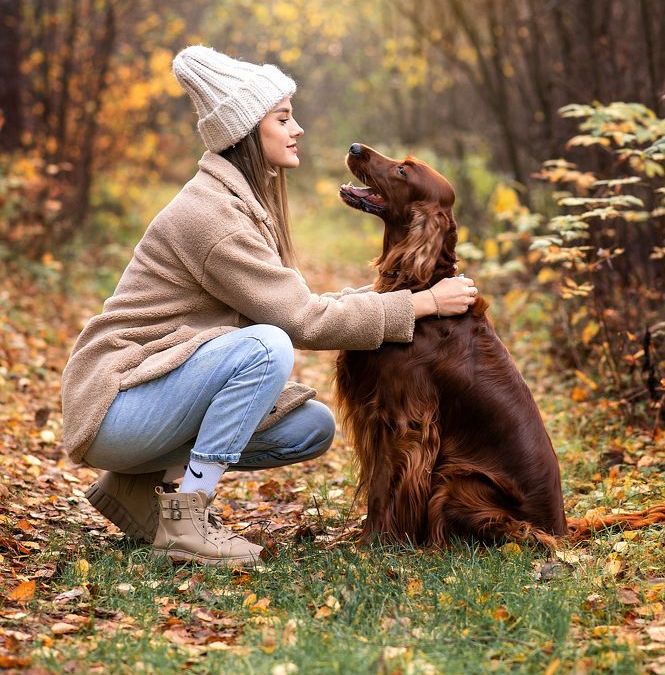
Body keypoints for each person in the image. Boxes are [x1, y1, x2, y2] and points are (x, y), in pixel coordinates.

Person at [61, 45, 478, 567]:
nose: (297, 128)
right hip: (114, 404)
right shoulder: (214, 218)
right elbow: (301, 320)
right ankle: (187, 515)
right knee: (267, 346)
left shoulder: (241, 201)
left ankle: (132, 487)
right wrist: (419, 304)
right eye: (283, 118)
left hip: (147, 396)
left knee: (310, 427)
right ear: (246, 133)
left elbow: (295, 299)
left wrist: (399, 299)